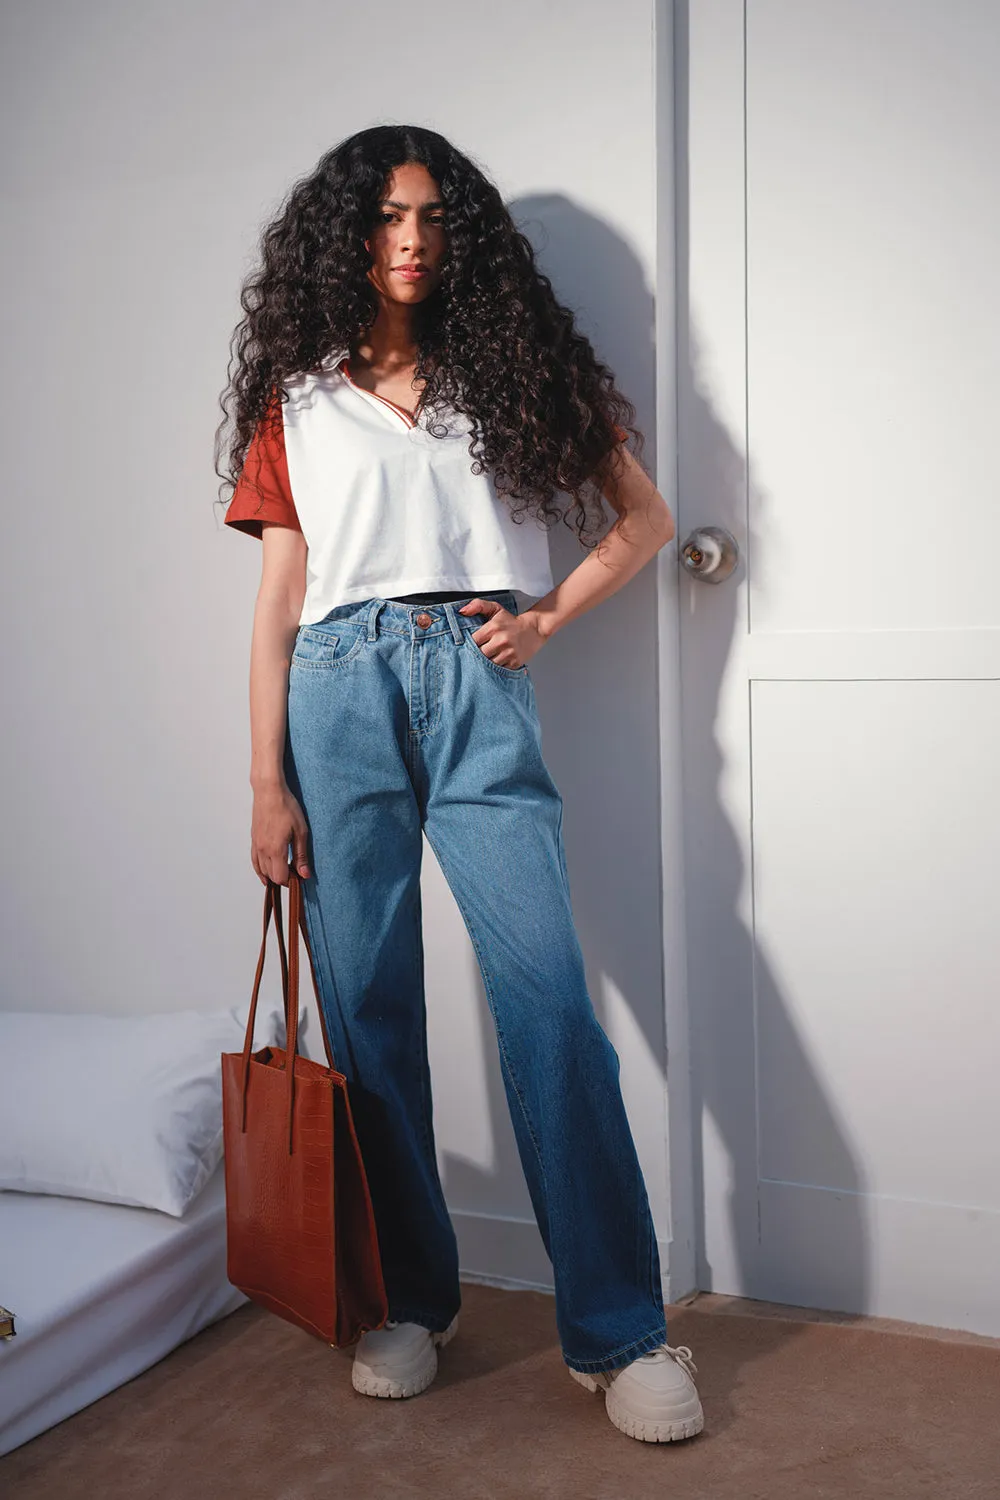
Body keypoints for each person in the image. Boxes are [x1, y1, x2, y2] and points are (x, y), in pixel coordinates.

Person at [216, 124, 703, 1445]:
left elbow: (645, 521)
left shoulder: (516, 369)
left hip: (478, 683)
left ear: (462, 230)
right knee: (369, 1013)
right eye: (383, 217)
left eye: (431, 215)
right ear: (345, 234)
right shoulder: (297, 397)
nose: (410, 237)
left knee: (548, 1003)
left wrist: (542, 621)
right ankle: (410, 1302)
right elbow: (276, 605)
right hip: (337, 687)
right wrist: (266, 784)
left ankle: (620, 1329)